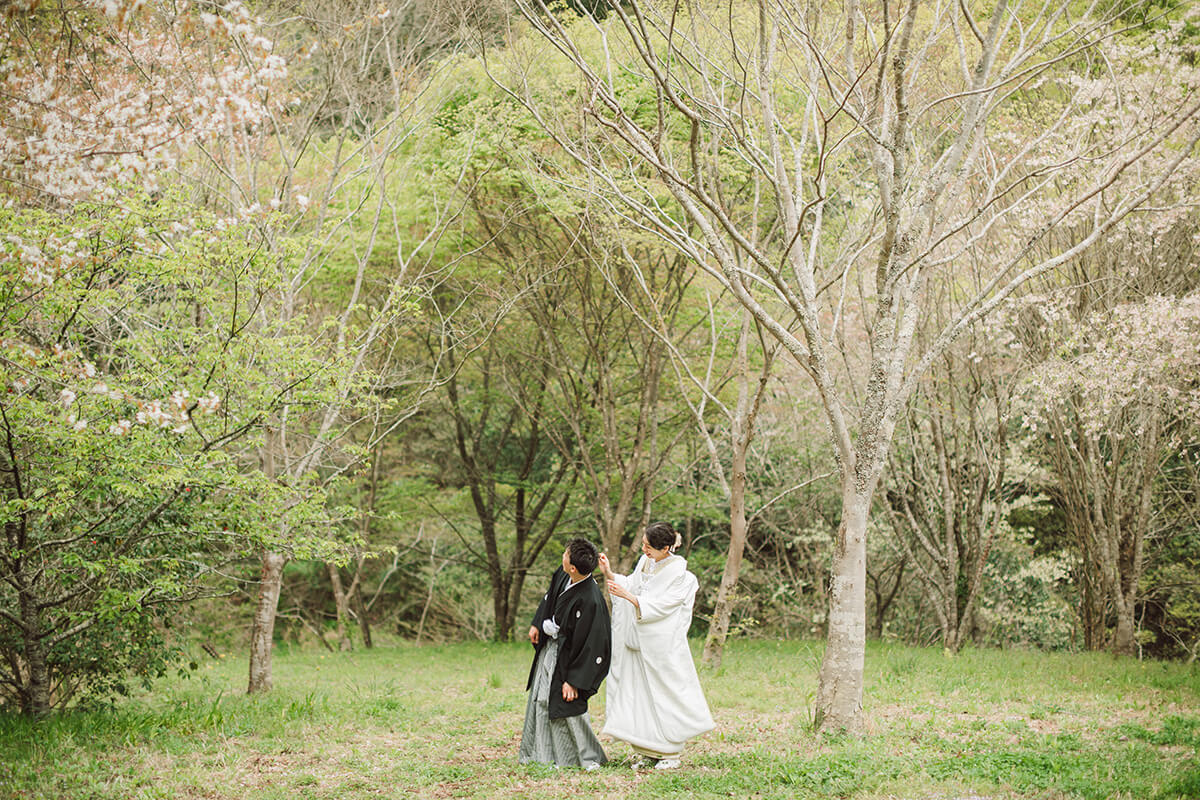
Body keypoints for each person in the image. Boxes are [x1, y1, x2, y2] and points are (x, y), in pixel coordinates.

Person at [599, 521, 714, 770]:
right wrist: (610, 573)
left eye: (649, 546)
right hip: (638, 641)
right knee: (640, 695)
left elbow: (664, 605)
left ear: (666, 548)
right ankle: (648, 750)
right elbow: (631, 583)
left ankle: (670, 753)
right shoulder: (645, 562)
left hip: (662, 644)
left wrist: (630, 598)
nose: (644, 550)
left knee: (664, 695)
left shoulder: (681, 576)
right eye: (643, 544)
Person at [518, 537, 611, 770]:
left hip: (570, 658)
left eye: (566, 554)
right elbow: (548, 599)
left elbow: (594, 645)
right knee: (540, 699)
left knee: (565, 704)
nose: (563, 555)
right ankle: (539, 753)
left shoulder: (592, 600)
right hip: (551, 649)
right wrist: (538, 623)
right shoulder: (562, 574)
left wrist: (574, 680)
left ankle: (583, 757)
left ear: (573, 567)